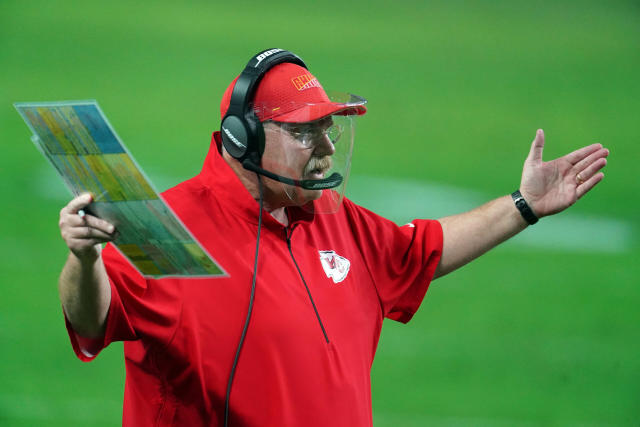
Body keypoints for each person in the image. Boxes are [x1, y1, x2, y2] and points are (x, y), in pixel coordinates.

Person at [57, 49, 609, 427]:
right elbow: (92, 320)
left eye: (327, 129)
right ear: (241, 139)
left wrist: (524, 206)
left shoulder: (335, 217)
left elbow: (422, 250)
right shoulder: (169, 228)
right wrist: (84, 259)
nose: (323, 147)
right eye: (303, 131)